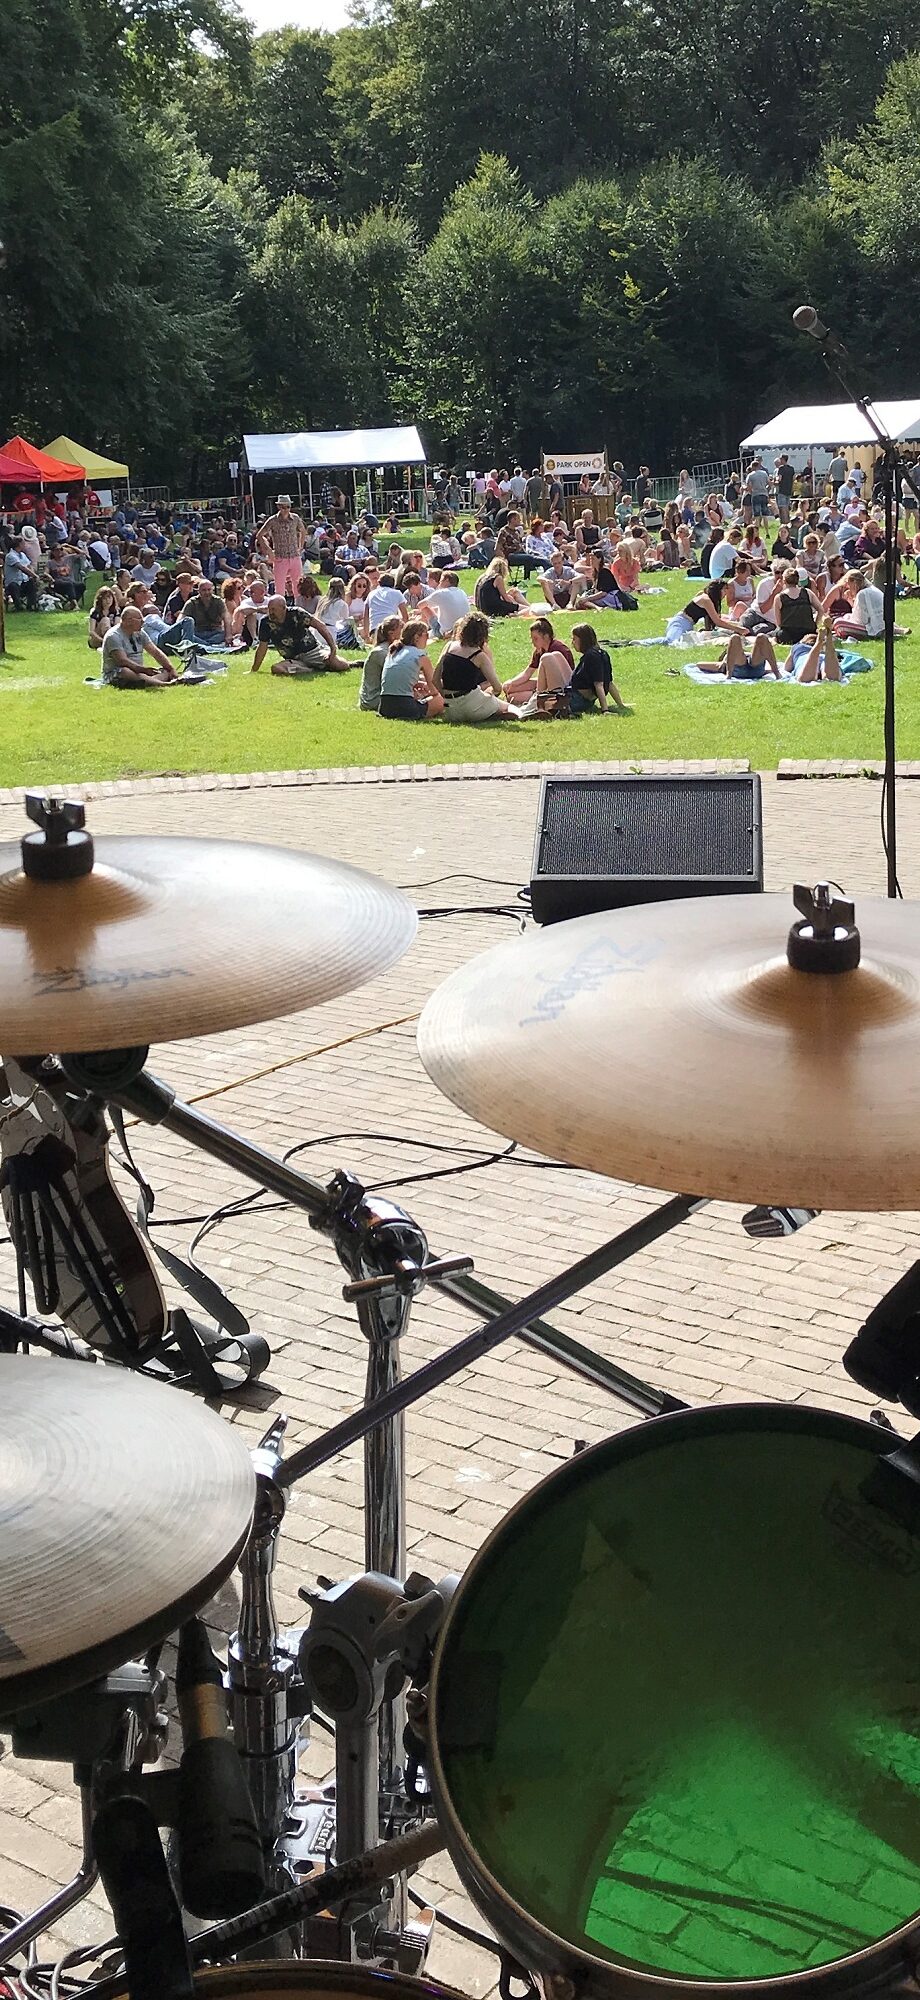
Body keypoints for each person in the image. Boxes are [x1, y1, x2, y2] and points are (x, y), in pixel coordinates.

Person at [434, 612, 520, 722]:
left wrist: (447, 697)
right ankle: (522, 714)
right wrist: (490, 694)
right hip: (471, 703)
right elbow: (497, 687)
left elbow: (435, 680)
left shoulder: (449, 646)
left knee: (482, 701)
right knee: (507, 706)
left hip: (451, 710)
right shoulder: (479, 656)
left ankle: (490, 713)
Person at [251, 594, 348, 675]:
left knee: (340, 665)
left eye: (273, 609)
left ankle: (347, 663)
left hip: (313, 652)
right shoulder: (266, 623)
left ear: (283, 608)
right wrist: (254, 670)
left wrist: (333, 649)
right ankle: (311, 669)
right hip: (294, 660)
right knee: (277, 669)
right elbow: (262, 647)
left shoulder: (297, 613)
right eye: (269, 609)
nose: (270, 613)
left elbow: (321, 626)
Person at [378, 619, 444, 720]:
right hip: (405, 707)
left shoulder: (394, 652)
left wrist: (416, 684)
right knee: (440, 700)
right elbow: (435, 689)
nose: (427, 638)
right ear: (417, 637)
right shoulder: (420, 656)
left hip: (384, 706)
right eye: (426, 635)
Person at [503, 617, 575, 707]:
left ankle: (536, 697)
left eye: (535, 638)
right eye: (532, 638)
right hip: (543, 683)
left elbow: (563, 679)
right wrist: (511, 683)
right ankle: (532, 696)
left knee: (512, 697)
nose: (532, 642)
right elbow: (527, 674)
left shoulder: (558, 649)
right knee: (510, 688)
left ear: (546, 636)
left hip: (557, 686)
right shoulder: (539, 651)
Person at [100, 605, 179, 687]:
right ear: (128, 621)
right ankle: (161, 683)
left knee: (165, 670)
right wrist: (143, 670)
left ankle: (147, 681)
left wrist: (171, 668)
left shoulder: (140, 633)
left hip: (139, 672)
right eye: (140, 619)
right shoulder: (113, 636)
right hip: (118, 673)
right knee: (125, 671)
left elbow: (155, 652)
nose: (143, 622)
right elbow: (122, 661)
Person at [568, 623, 627, 714]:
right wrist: (620, 704)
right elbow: (609, 683)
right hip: (586, 701)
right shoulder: (602, 653)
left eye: (574, 639)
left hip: (577, 700)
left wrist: (605, 710)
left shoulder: (591, 656)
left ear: (583, 640)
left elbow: (599, 684)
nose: (572, 643)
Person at [256, 495, 307, 598]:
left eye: (288, 507)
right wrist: (269, 551)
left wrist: (300, 546)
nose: (286, 510)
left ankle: (299, 608)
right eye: (283, 507)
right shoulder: (273, 520)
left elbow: (303, 531)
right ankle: (280, 610)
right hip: (280, 557)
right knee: (279, 589)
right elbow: (259, 535)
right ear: (279, 507)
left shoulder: (295, 518)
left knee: (298, 587)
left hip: (294, 556)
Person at [664, 580, 740, 642]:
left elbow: (711, 619)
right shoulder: (705, 600)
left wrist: (737, 625)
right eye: (724, 591)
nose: (725, 595)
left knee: (682, 643)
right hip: (680, 622)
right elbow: (718, 622)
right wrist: (738, 629)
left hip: (688, 624)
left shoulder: (708, 600)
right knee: (671, 641)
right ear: (717, 590)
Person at [359, 614, 402, 712]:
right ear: (392, 634)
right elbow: (398, 675)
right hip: (373, 699)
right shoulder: (380, 652)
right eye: (402, 628)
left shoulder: (392, 649)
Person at [775, 567, 823, 644]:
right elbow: (821, 609)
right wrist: (815, 624)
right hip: (808, 633)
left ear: (784, 581)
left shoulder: (779, 597)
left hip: (788, 634)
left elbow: (779, 623)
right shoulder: (808, 592)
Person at [184, 576, 230, 649]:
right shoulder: (192, 602)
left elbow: (226, 618)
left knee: (224, 634)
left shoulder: (218, 601)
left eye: (209, 590)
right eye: (204, 590)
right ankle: (209, 646)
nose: (207, 592)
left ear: (213, 590)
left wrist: (228, 635)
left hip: (215, 632)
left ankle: (204, 645)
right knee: (190, 636)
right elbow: (182, 618)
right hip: (198, 632)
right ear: (198, 591)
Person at [422, 570, 470, 636]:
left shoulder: (441, 593)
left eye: (441, 580)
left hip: (444, 631)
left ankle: (424, 629)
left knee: (424, 608)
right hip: (462, 628)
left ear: (447, 580)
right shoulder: (462, 592)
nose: (439, 582)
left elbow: (420, 605)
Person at [363, 571, 407, 641]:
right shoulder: (397, 593)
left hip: (374, 631)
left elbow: (366, 616)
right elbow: (405, 616)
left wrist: (366, 636)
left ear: (379, 583)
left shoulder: (371, 594)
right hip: (392, 630)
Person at [4, 538, 40, 610]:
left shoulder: (23, 555)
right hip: (13, 583)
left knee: (31, 583)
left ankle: (31, 605)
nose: (25, 545)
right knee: (13, 585)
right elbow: (21, 567)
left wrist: (32, 575)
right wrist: (34, 575)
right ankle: (18, 606)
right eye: (24, 543)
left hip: (23, 582)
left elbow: (29, 565)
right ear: (19, 545)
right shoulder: (10, 556)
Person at [773, 455, 796, 524]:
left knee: (783, 507)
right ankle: (787, 521)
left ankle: (785, 522)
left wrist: (774, 481)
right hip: (789, 490)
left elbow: (779, 479)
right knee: (786, 506)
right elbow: (794, 478)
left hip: (782, 490)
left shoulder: (781, 468)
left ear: (783, 459)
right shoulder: (791, 468)